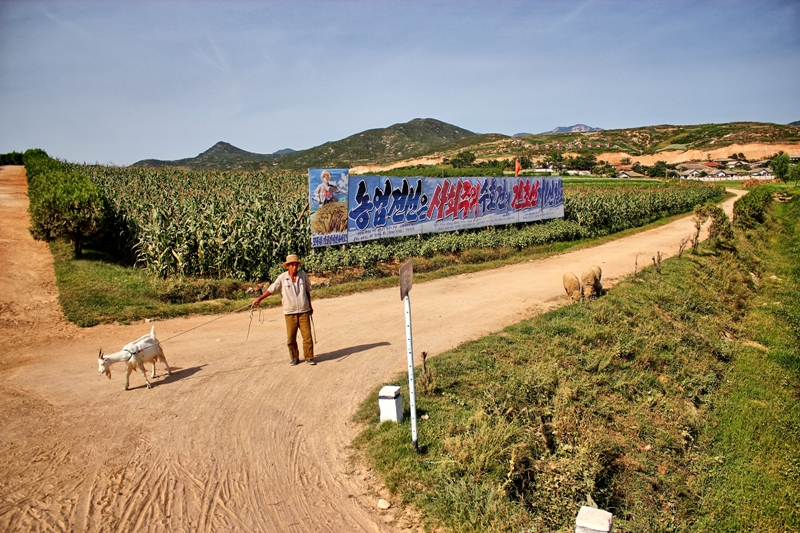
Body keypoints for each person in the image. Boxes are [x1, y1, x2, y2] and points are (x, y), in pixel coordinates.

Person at [253, 254, 315, 366]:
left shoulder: (303, 276)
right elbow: (271, 290)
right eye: (292, 265)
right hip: (290, 313)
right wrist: (260, 299)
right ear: (288, 266)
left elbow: (307, 292)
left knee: (307, 336)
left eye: (296, 264)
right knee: (291, 338)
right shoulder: (282, 278)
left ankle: (309, 357)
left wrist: (310, 306)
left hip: (304, 311)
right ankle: (294, 357)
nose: (294, 267)